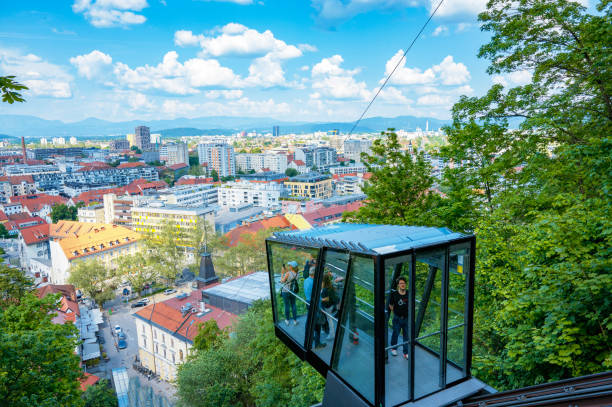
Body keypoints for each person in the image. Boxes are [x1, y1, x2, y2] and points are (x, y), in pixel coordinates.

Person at [389, 276, 409, 358]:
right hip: (397, 318)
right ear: (398, 285)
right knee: (395, 333)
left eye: (404, 283)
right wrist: (395, 312)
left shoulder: (408, 293)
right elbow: (390, 305)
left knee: (406, 335)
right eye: (401, 283)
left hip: (406, 318)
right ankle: (393, 349)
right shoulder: (394, 294)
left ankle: (406, 352)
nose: (403, 285)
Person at [280, 261, 299, 325]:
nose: (289, 266)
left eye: (290, 265)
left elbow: (282, 281)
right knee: (293, 305)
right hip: (293, 291)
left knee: (287, 306)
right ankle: (295, 320)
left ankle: (287, 320)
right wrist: (286, 270)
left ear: (292, 267)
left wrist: (282, 273)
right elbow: (291, 274)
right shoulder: (297, 273)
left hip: (286, 291)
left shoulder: (288, 273)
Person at [320, 273, 338, 338]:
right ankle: (326, 330)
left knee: (329, 320)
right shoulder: (330, 286)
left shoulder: (325, 289)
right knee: (328, 319)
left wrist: (320, 299)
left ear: (324, 281)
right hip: (331, 305)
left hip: (328, 306)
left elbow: (327, 299)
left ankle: (332, 334)